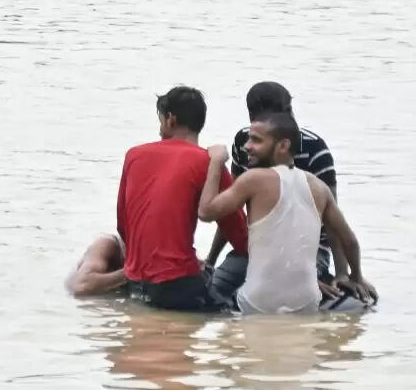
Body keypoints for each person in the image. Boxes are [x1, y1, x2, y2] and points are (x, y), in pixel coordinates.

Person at [198, 114, 376, 313]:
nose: (247, 146)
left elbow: (206, 212)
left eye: (256, 140)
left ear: (283, 146)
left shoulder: (253, 179)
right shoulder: (319, 187)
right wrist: (356, 277)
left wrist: (215, 162)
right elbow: (349, 241)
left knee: (205, 305)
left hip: (257, 303)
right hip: (307, 303)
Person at [115, 86, 248, 311]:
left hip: (135, 283)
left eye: (160, 120)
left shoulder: (133, 156)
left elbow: (123, 226)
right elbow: (241, 237)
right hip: (179, 287)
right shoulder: (208, 162)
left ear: (170, 120)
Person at [207, 81, 337, 297]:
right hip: (259, 246)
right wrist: (211, 262)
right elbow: (233, 211)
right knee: (214, 293)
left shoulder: (314, 149)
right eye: (284, 112)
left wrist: (341, 274)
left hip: (308, 251)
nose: (291, 118)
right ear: (254, 120)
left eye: (290, 110)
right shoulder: (245, 144)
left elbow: (332, 221)